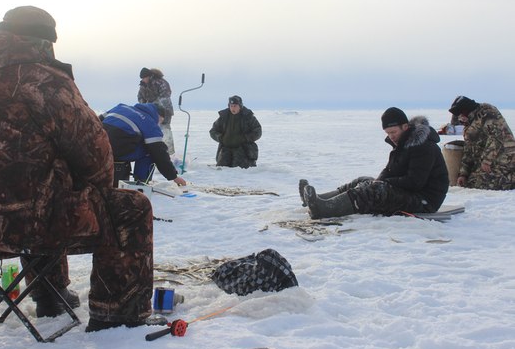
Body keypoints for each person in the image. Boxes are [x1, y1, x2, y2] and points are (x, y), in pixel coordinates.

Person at [0, 6, 154, 332]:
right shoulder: (45, 79)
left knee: (42, 194)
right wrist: (97, 191)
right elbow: (95, 155)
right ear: (45, 41)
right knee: (127, 207)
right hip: (25, 223)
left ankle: (50, 295)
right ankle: (118, 317)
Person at [299, 107, 449, 218]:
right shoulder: (402, 145)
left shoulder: (423, 147)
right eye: (388, 133)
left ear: (405, 127)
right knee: (363, 181)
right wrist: (377, 181)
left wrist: (382, 184)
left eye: (393, 132)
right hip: (410, 193)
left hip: (424, 201)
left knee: (377, 189)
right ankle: (321, 199)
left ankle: (325, 209)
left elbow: (415, 182)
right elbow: (390, 170)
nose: (391, 137)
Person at [100, 102, 186, 187]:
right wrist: (173, 176)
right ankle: (141, 183)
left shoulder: (121, 107)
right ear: (158, 115)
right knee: (150, 151)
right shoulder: (150, 122)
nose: (159, 124)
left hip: (97, 147)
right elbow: (159, 153)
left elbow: (95, 120)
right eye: (160, 121)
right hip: (116, 152)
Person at [448, 96, 515, 190]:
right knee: (470, 182)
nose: (461, 119)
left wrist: (487, 161)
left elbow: (497, 137)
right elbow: (469, 149)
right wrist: (463, 174)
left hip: (503, 158)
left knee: (484, 184)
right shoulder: (469, 123)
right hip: (483, 160)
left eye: (461, 115)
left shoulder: (487, 112)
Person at [209, 95, 262, 168]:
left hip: (243, 149)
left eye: (235, 106)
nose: (233, 108)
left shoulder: (248, 117)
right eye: (231, 106)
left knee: (240, 169)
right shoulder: (224, 117)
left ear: (240, 106)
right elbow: (213, 131)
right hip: (226, 149)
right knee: (222, 168)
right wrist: (220, 138)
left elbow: (258, 131)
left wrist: (245, 138)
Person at [138, 67, 175, 155]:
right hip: (150, 112)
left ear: (149, 76)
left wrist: (156, 109)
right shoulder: (143, 85)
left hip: (164, 111)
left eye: (144, 78)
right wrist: (144, 107)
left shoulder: (161, 82)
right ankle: (154, 152)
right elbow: (140, 97)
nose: (143, 80)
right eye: (142, 78)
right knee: (152, 131)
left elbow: (165, 98)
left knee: (165, 130)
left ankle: (169, 153)